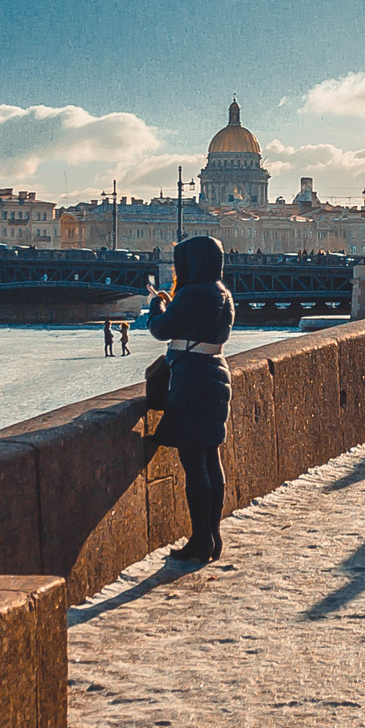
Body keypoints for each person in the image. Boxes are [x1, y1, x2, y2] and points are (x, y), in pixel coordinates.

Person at [136, 233, 236, 561]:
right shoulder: (223, 293)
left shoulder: (193, 293)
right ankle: (213, 536)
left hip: (192, 378)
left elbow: (161, 329)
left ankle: (199, 540)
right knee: (210, 457)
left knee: (194, 462)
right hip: (216, 372)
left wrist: (157, 304)